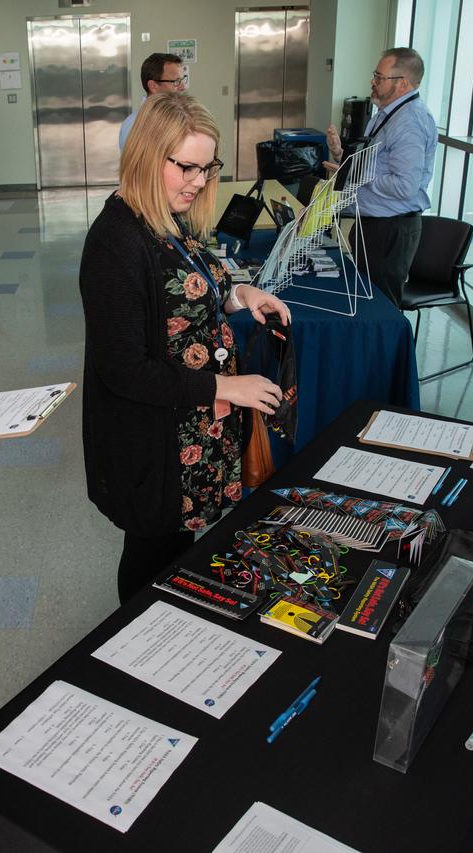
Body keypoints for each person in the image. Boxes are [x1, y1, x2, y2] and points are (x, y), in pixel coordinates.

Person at [80, 93, 290, 604]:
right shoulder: (116, 242)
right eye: (187, 167)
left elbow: (199, 284)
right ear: (149, 157)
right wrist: (226, 386)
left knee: (177, 553)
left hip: (188, 435)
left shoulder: (165, 218)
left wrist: (242, 295)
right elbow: (124, 370)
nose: (199, 181)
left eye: (207, 166)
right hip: (154, 445)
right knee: (152, 559)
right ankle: (137, 645)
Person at [323, 47, 437, 305]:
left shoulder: (410, 121)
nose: (373, 82)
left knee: (380, 308)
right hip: (374, 224)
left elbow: (405, 185)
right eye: (374, 75)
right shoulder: (386, 113)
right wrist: (342, 156)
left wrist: (356, 173)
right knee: (365, 302)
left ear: (403, 83)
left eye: (379, 77)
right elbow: (373, 164)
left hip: (391, 229)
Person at [118, 53, 186, 152]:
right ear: (153, 85)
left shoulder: (175, 117)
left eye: (182, 80)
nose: (183, 87)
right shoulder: (136, 125)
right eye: (176, 82)